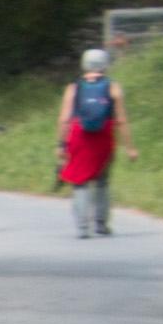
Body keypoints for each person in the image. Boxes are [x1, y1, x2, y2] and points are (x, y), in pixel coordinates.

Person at [59, 48, 123, 239]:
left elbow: (64, 119)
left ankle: (82, 227)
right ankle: (102, 224)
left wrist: (61, 144)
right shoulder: (113, 87)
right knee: (102, 181)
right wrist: (128, 145)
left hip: (79, 136)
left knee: (80, 182)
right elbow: (121, 119)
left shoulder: (74, 88)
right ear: (104, 65)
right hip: (104, 137)